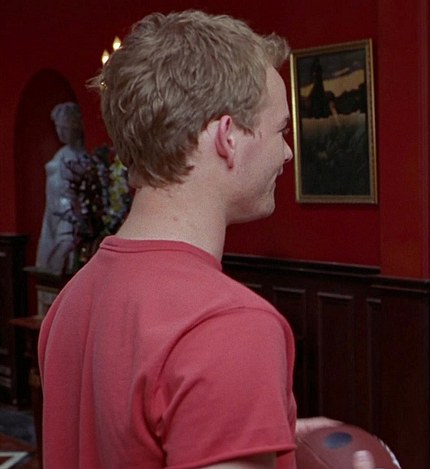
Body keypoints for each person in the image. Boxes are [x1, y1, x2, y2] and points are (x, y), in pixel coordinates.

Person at [38, 11, 375, 469]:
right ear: (227, 137)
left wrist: (250, 431)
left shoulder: (73, 300)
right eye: (281, 130)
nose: (287, 152)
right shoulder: (228, 324)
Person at [36, 102, 86, 274]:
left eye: (65, 127)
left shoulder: (83, 157)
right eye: (58, 127)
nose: (61, 132)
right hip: (55, 216)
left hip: (72, 218)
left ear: (77, 125)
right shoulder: (61, 155)